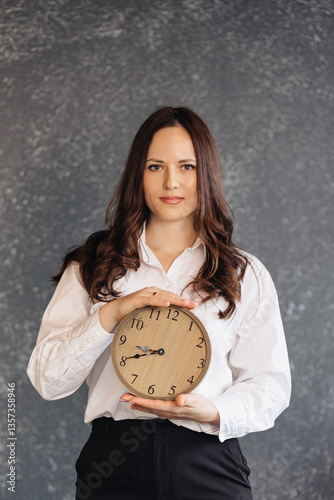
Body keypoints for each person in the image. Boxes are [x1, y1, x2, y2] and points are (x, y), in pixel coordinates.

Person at [27, 106, 291, 500]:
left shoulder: (243, 273)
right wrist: (110, 313)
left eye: (187, 166)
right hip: (112, 463)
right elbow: (47, 380)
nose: (172, 182)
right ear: (138, 172)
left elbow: (271, 383)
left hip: (207, 458)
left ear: (207, 173)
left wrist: (214, 412)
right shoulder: (93, 265)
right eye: (155, 166)